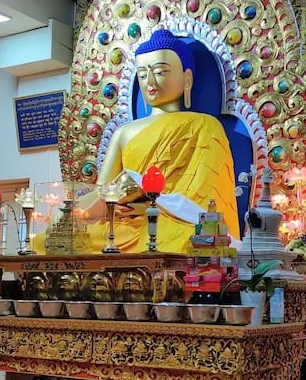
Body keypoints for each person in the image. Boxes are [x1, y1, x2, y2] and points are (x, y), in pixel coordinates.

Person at [86, 29, 239, 253]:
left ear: (187, 78)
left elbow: (202, 198)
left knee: (189, 240)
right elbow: (102, 192)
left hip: (173, 222)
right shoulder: (123, 132)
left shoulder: (206, 126)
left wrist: (152, 206)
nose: (150, 81)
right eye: (142, 74)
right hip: (124, 224)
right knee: (54, 238)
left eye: (160, 71)